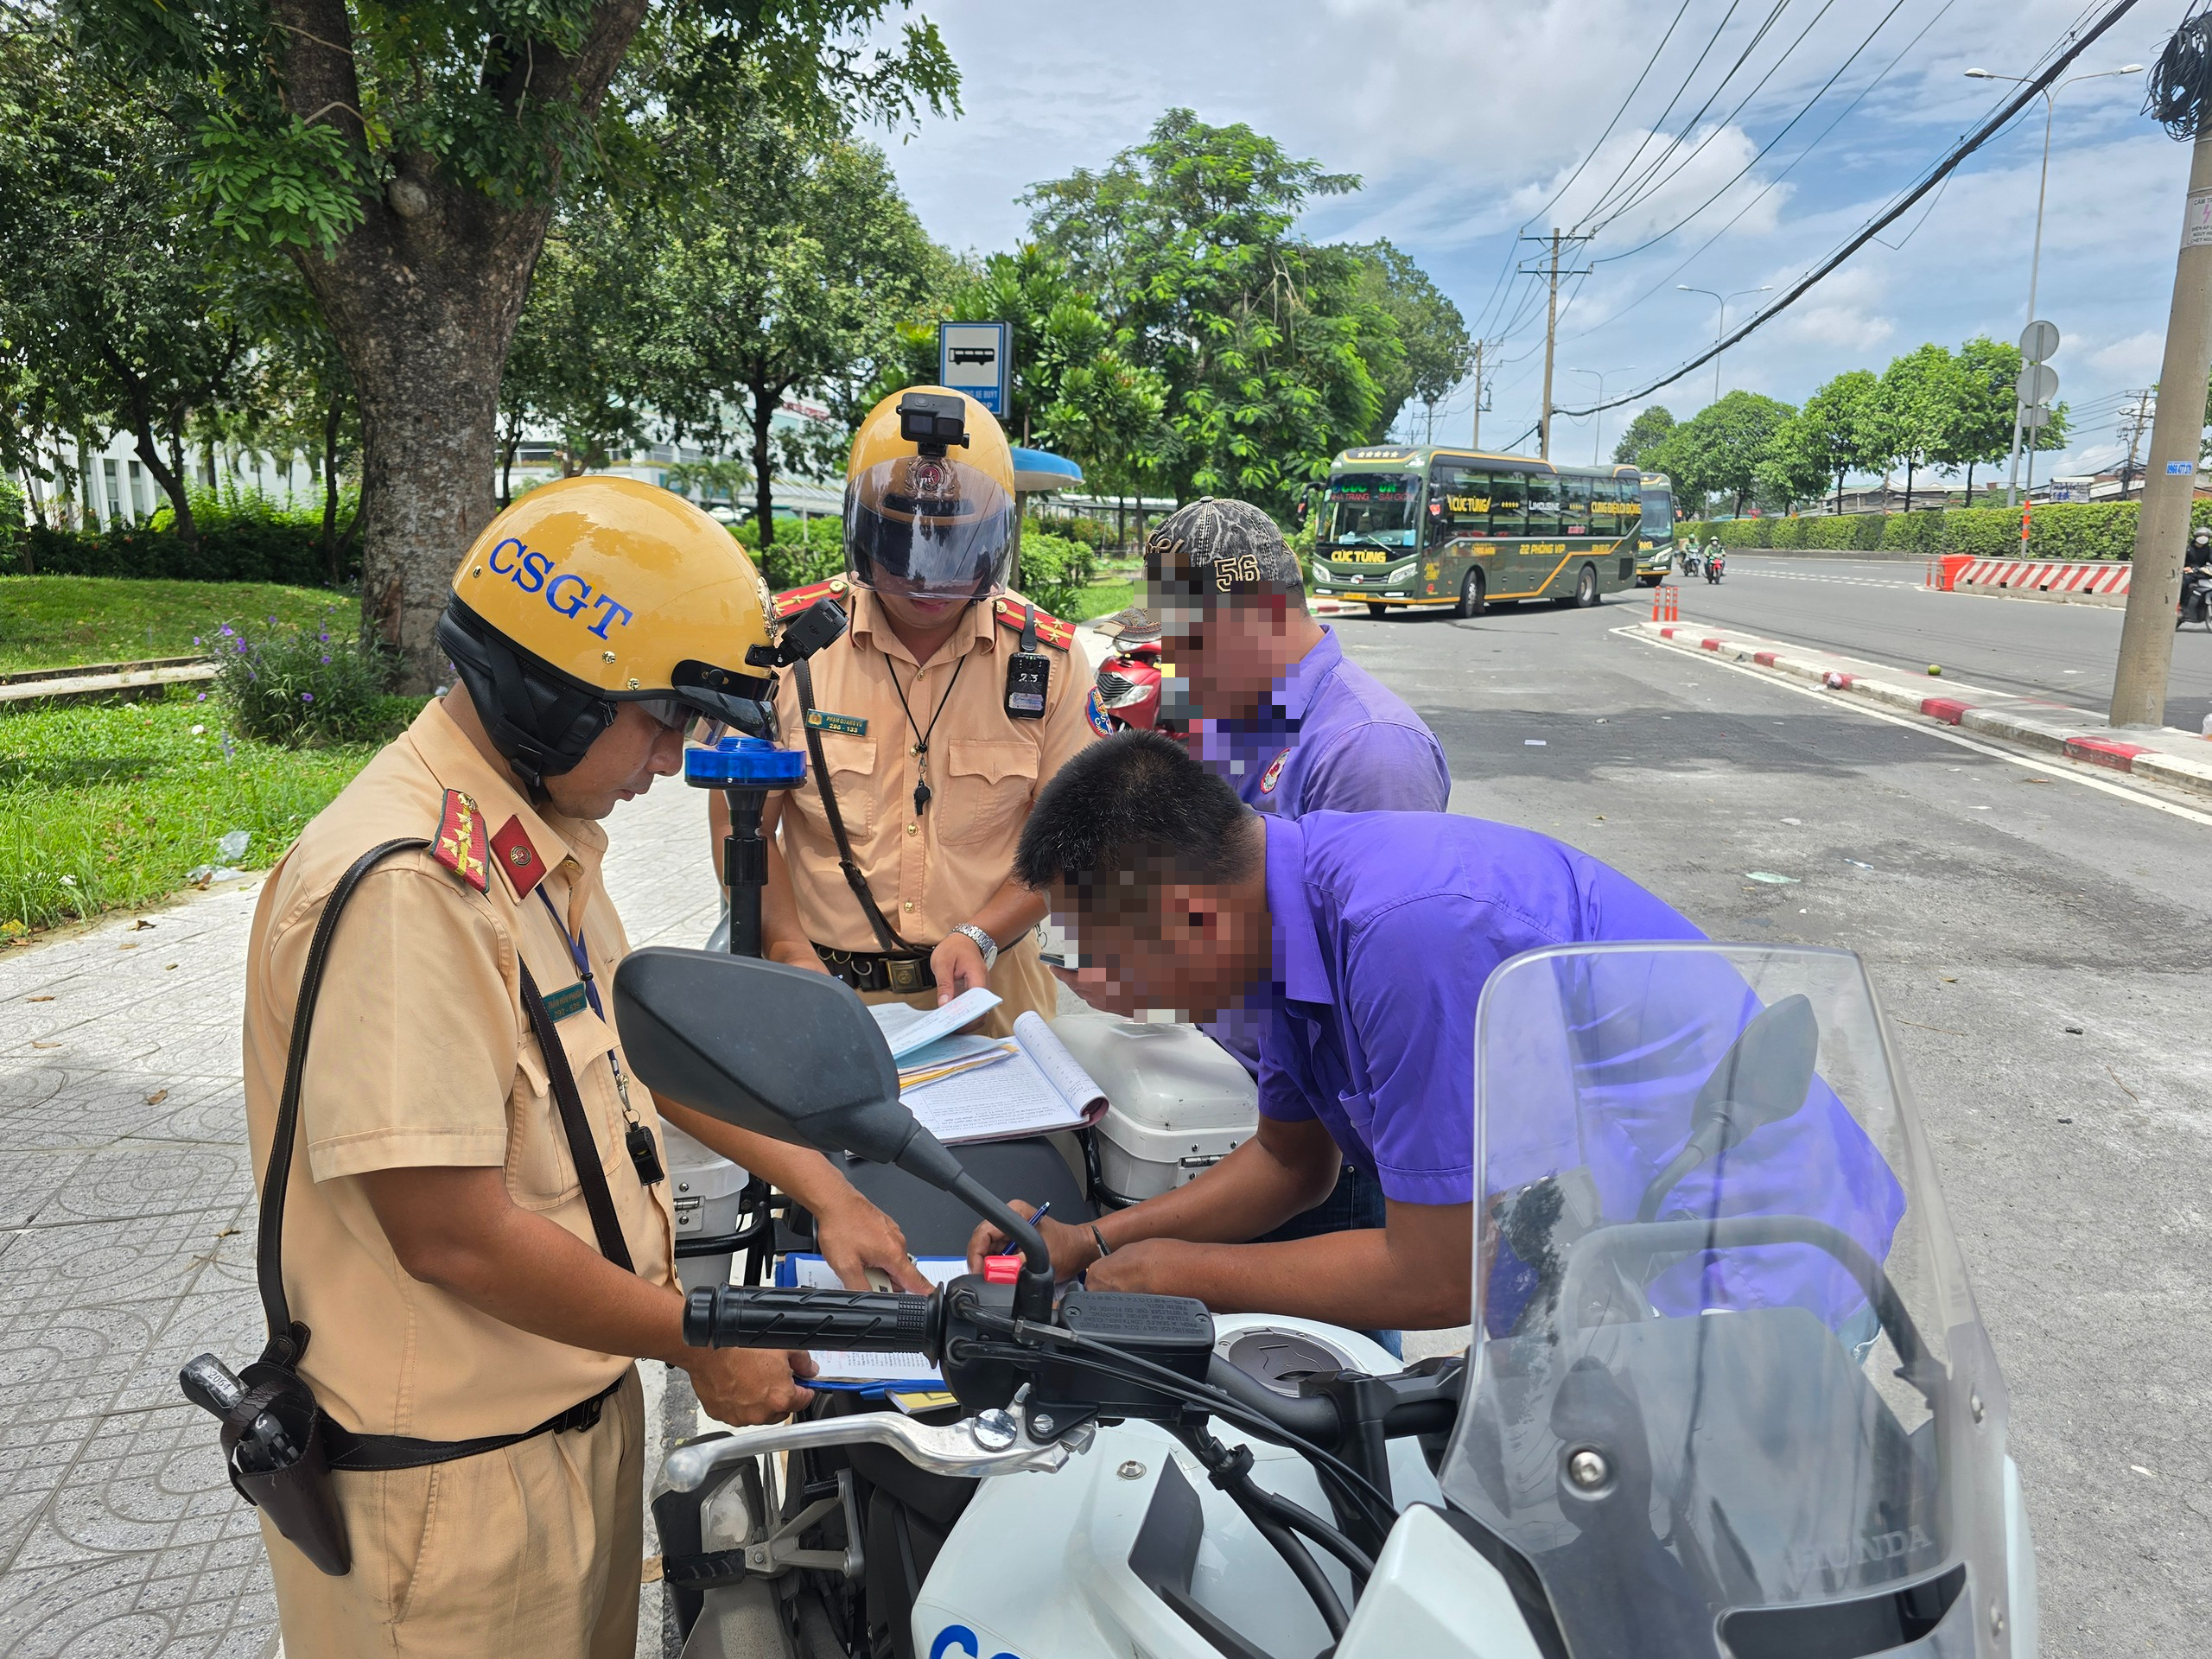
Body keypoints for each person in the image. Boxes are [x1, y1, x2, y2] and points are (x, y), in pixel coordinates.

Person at [241, 478, 926, 1657]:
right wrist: (703, 1334)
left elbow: (647, 1056)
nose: (671, 762)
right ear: (549, 698)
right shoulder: (413, 886)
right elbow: (451, 1233)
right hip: (455, 1504)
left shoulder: (523, 840)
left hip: (563, 1435)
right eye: (659, 720)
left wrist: (831, 1193)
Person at [966, 733, 1894, 1334]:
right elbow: (1294, 1165)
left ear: (1189, 917)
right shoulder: (1278, 919)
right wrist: (1097, 1242)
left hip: (1749, 1262)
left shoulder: (1406, 927)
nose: (1091, 980)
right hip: (1602, 1245)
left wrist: (1178, 1274)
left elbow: (1440, 1275)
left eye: (1099, 950)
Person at [710, 386, 1096, 1037]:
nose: (926, 580)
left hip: (992, 999)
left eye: (955, 551)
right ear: (861, 527)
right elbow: (738, 821)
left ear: (996, 537)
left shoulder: (1050, 663)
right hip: (828, 998)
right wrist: (787, 948)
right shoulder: (789, 648)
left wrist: (983, 933)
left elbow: (1071, 839)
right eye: (900, 547)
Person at [1141, 496, 1450, 1243]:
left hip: (1321, 1150)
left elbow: (1373, 993)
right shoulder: (1233, 716)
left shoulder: (1367, 751)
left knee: (1315, 1358)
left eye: (1190, 641)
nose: (1176, 666)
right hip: (1235, 1106)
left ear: (1262, 616)